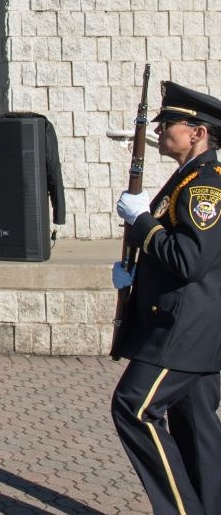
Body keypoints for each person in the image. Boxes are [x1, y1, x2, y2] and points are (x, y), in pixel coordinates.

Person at [111, 81, 221, 515]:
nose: (161, 130)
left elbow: (189, 259)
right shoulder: (186, 179)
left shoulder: (204, 188)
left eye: (170, 123)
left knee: (134, 409)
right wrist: (136, 274)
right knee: (196, 428)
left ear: (198, 132)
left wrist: (141, 222)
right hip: (187, 322)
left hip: (183, 328)